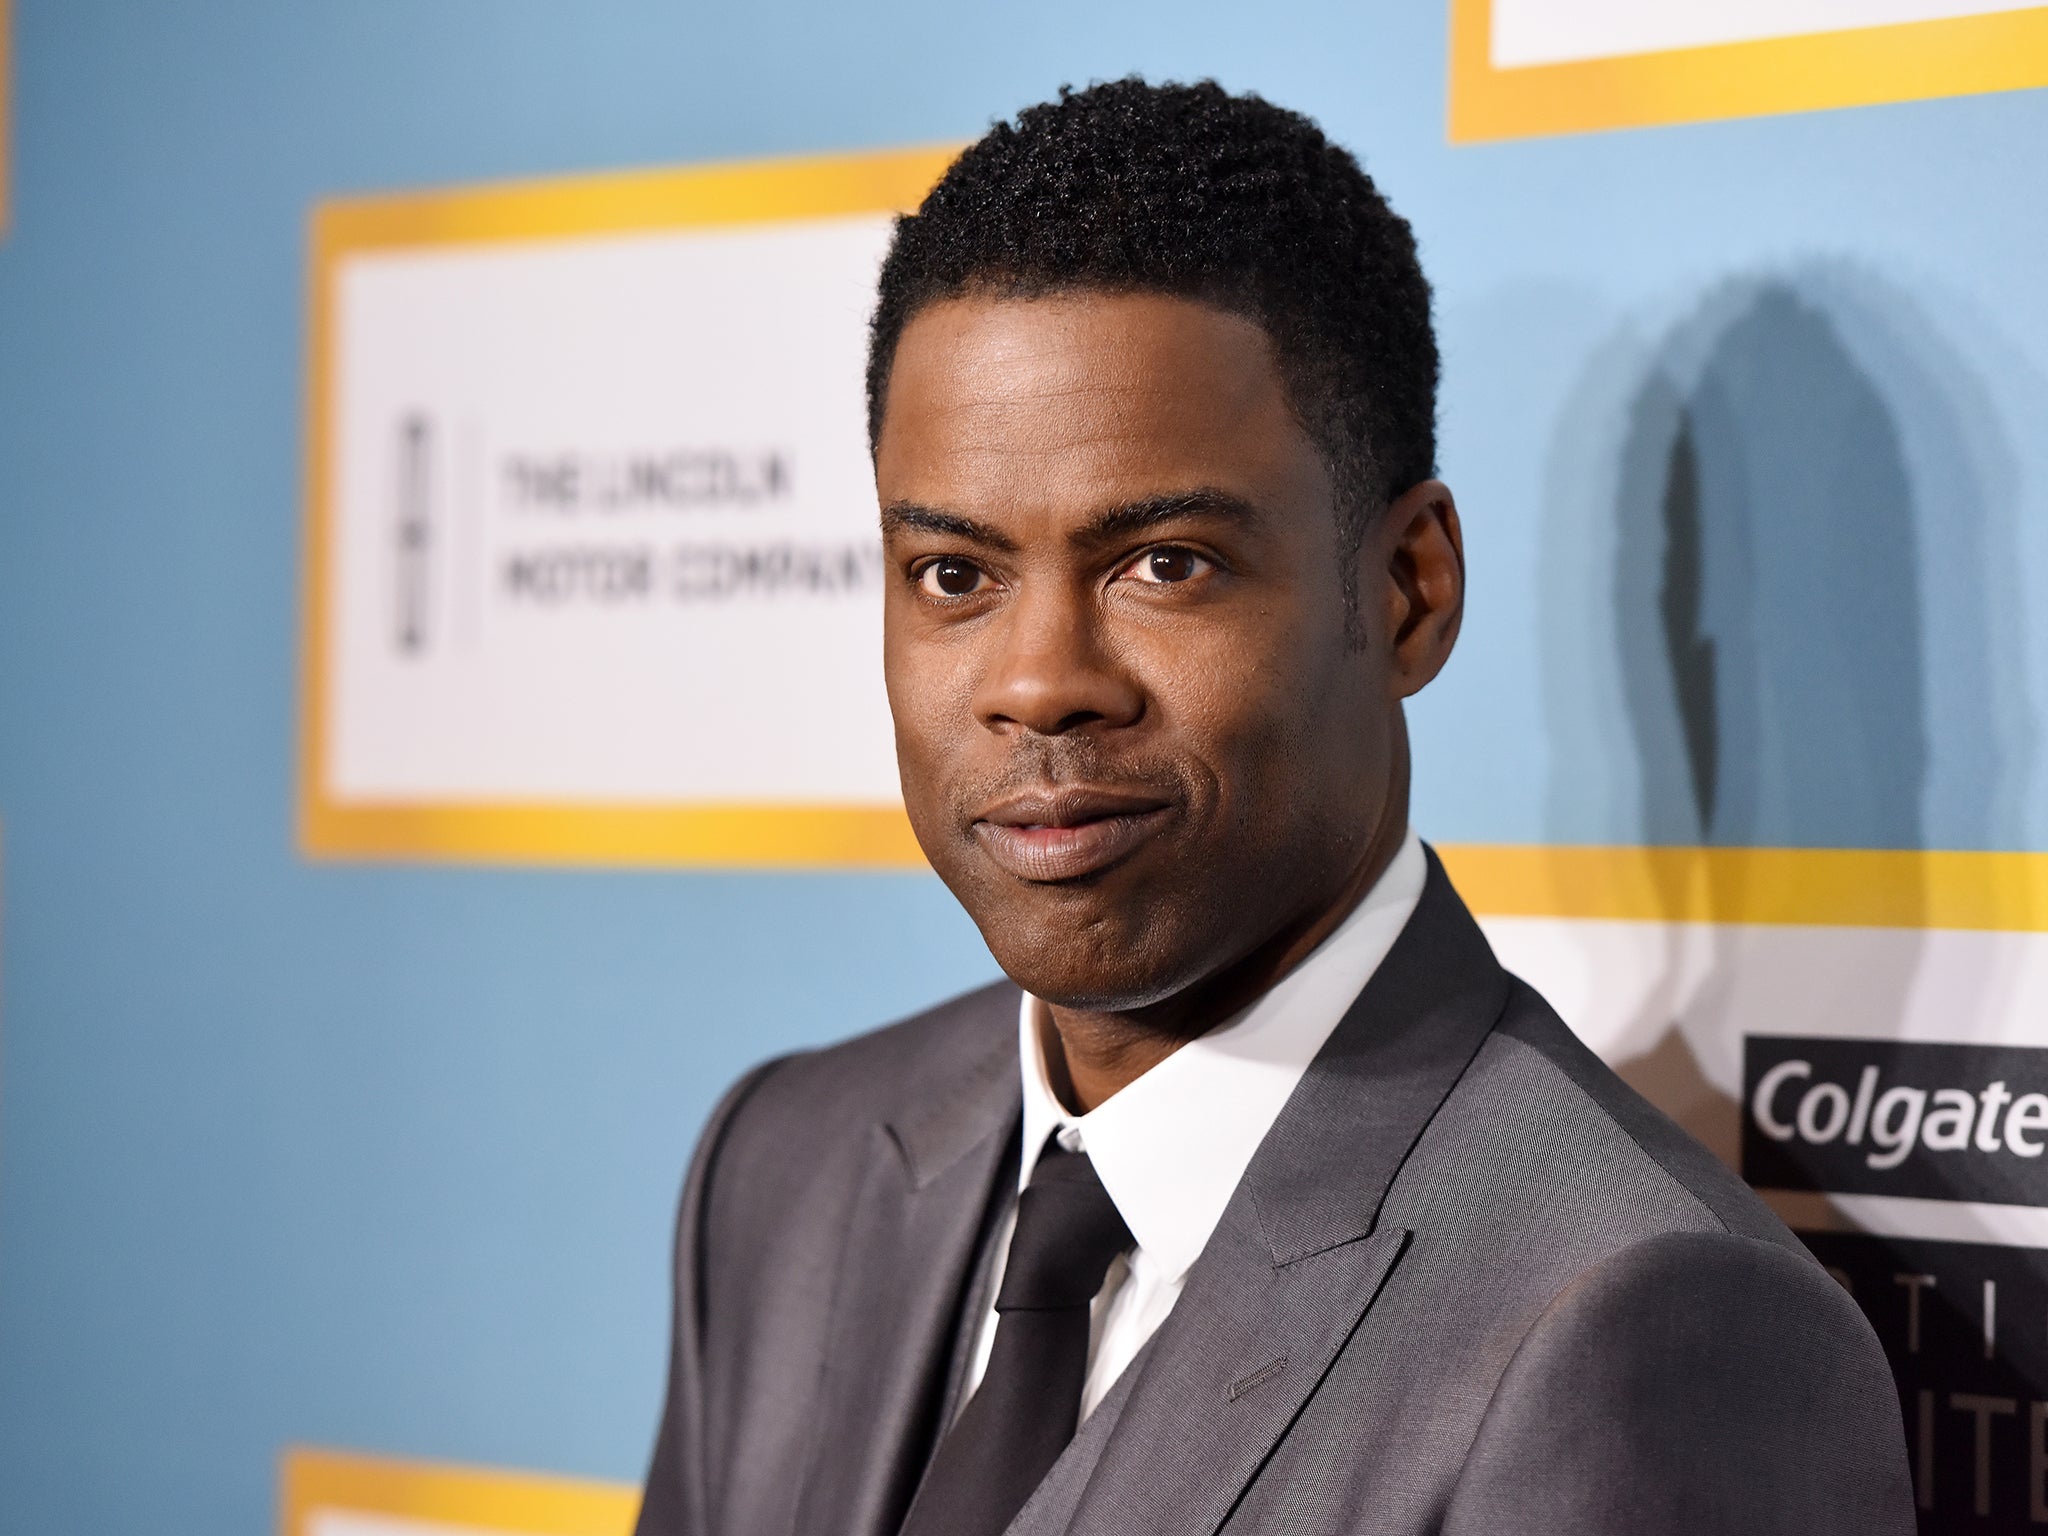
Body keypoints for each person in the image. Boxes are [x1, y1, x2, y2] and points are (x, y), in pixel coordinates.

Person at [633, 79, 1913, 1536]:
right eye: (954, 576)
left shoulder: (1638, 1319)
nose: (1040, 684)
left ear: (1409, 590)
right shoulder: (784, 1166)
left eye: (1164, 564)